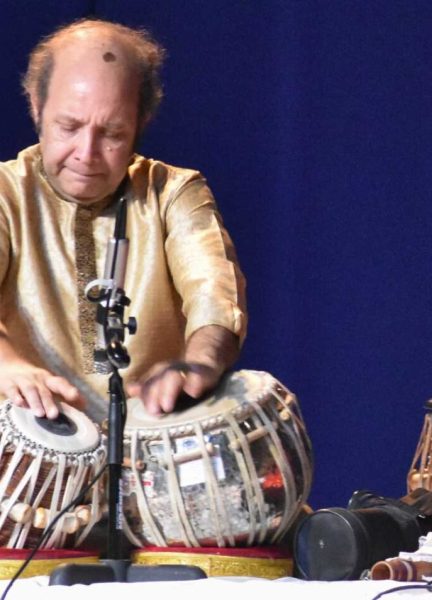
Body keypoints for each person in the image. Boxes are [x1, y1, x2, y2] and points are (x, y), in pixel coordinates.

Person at [0, 19, 247, 421]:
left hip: (151, 461)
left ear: (140, 123)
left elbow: (215, 292)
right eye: (69, 126)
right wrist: (8, 366)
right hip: (23, 461)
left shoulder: (172, 193)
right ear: (35, 105)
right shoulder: (6, 192)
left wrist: (200, 362)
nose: (87, 153)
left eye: (112, 133)